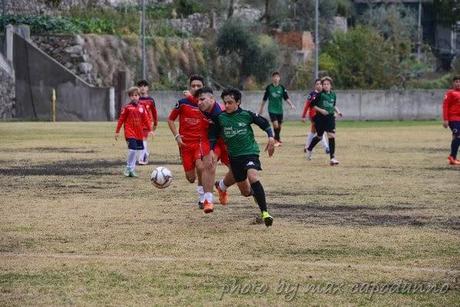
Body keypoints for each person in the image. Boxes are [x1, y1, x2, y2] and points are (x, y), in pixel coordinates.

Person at [209, 88, 275, 227]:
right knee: (245, 192)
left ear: (238, 102)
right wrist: (210, 150)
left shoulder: (247, 115)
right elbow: (213, 136)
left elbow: (264, 123)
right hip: (234, 157)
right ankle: (221, 186)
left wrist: (271, 137)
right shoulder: (220, 118)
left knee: (253, 176)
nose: (226, 105)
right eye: (225, 103)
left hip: (250, 152)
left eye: (230, 102)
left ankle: (265, 213)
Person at [167, 75, 207, 208]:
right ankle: (200, 177)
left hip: (200, 142)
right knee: (191, 179)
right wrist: (177, 136)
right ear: (189, 87)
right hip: (185, 144)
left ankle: (202, 197)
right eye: (193, 86)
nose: (196, 88)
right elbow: (170, 119)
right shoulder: (182, 103)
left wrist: (193, 97)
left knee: (201, 167)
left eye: (199, 86)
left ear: (203, 88)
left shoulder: (206, 104)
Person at [193, 87, 235, 213]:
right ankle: (208, 200)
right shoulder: (200, 108)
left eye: (202, 99)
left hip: (226, 142)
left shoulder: (223, 111)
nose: (199, 102)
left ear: (212, 99)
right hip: (210, 141)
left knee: (238, 173)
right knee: (209, 164)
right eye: (197, 100)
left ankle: (221, 186)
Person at [305, 76, 342, 165]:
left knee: (331, 135)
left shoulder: (333, 95)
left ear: (331, 86)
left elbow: (333, 105)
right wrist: (321, 110)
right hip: (320, 118)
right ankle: (309, 149)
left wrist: (338, 112)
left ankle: (332, 158)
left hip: (330, 118)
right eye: (324, 84)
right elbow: (312, 105)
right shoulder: (320, 95)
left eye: (327, 84)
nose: (325, 86)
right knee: (319, 136)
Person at [115, 86, 151, 177]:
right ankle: (128, 167)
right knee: (132, 150)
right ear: (130, 97)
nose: (134, 97)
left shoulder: (142, 107)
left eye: (136, 95)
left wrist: (150, 130)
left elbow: (146, 119)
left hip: (139, 133)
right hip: (129, 132)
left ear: (139, 96)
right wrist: (117, 131)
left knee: (136, 152)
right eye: (132, 95)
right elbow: (121, 119)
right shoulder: (127, 108)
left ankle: (132, 170)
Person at [258, 71, 295, 147]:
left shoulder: (282, 88)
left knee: (279, 126)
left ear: (279, 78)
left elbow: (286, 98)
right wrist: (261, 109)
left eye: (277, 77)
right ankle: (276, 140)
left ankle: (277, 137)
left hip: (279, 110)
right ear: (272, 78)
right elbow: (264, 99)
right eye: (274, 77)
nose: (276, 78)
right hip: (272, 109)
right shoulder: (269, 88)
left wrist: (291, 105)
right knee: (275, 125)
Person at [301, 78, 329, 154]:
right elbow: (307, 106)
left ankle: (307, 147)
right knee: (321, 131)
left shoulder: (324, 94)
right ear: (315, 86)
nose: (319, 86)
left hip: (321, 116)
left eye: (320, 84)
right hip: (313, 116)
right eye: (317, 84)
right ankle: (326, 147)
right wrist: (303, 116)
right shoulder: (312, 95)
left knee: (313, 131)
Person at [136, 80, 158, 165]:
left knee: (143, 139)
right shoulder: (136, 100)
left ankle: (142, 159)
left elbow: (154, 112)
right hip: (137, 123)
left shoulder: (151, 100)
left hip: (147, 123)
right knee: (138, 140)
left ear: (147, 88)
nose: (142, 88)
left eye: (144, 86)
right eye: (140, 86)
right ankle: (144, 154)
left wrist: (155, 123)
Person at [442, 75, 460, 165]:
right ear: (453, 83)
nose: (458, 83)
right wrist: (445, 119)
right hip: (453, 119)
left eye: (459, 82)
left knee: (456, 137)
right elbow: (445, 106)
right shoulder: (450, 93)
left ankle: (453, 159)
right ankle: (452, 157)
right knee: (458, 136)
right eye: (456, 82)